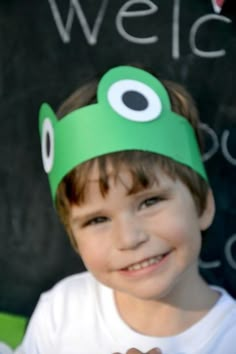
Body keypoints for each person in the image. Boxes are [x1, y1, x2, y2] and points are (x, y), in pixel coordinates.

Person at [15, 65, 236, 354]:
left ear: (203, 205)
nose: (129, 238)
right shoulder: (62, 312)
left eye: (150, 202)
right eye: (97, 220)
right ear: (74, 238)